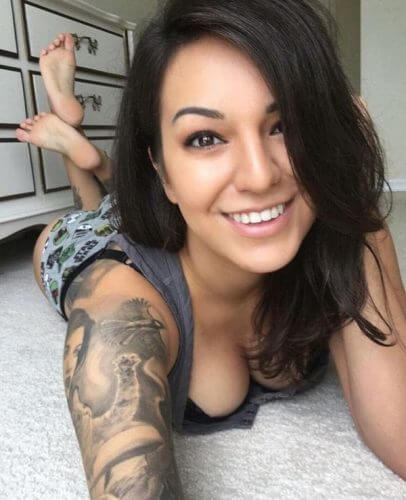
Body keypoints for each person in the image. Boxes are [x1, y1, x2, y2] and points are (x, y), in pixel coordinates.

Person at [18, 0, 406, 496]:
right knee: (96, 218)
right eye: (204, 138)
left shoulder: (323, 236)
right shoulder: (120, 316)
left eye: (285, 125)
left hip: (183, 212)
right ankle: (76, 143)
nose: (260, 176)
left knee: (129, 205)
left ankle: (85, 149)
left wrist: (351, 188)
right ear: (160, 166)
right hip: (79, 242)